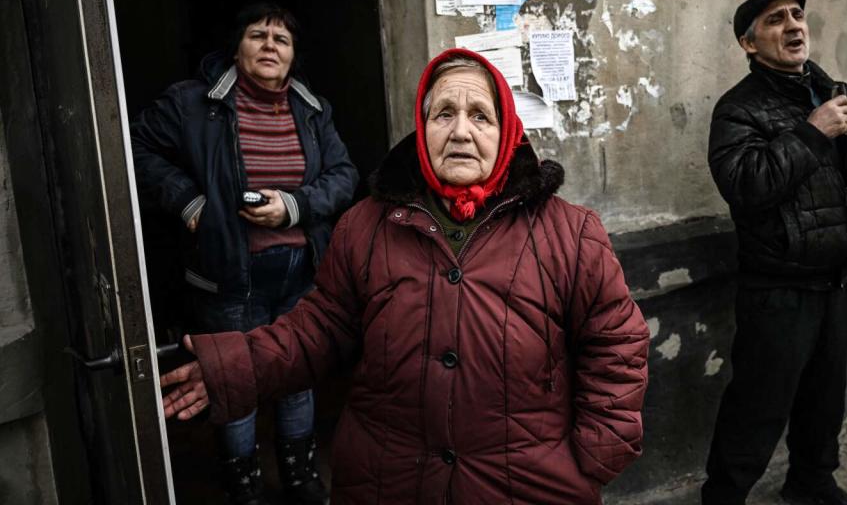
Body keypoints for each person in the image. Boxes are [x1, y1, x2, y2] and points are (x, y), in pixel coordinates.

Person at [159, 48, 650, 504]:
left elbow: (616, 344)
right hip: (388, 481)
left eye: (480, 115)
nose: (460, 132)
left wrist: (593, 459)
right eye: (443, 114)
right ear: (421, 129)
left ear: (507, 133)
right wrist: (232, 366)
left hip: (528, 484)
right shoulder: (365, 226)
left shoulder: (570, 232)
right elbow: (318, 330)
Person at [132, 3, 358, 505]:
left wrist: (295, 205)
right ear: (237, 47)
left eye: (282, 39)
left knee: (297, 370)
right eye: (258, 35)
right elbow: (136, 146)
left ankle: (300, 476)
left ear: (294, 55)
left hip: (301, 271)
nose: (270, 46)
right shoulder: (193, 104)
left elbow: (344, 175)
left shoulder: (313, 108)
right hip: (226, 272)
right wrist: (189, 201)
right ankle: (245, 485)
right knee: (232, 379)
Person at [701, 0, 847, 505]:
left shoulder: (829, 87)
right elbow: (746, 185)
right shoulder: (737, 109)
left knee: (824, 398)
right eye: (776, 21)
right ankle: (723, 498)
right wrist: (812, 133)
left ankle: (811, 484)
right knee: (759, 405)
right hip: (779, 286)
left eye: (798, 16)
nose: (795, 26)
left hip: (837, 278)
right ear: (749, 44)